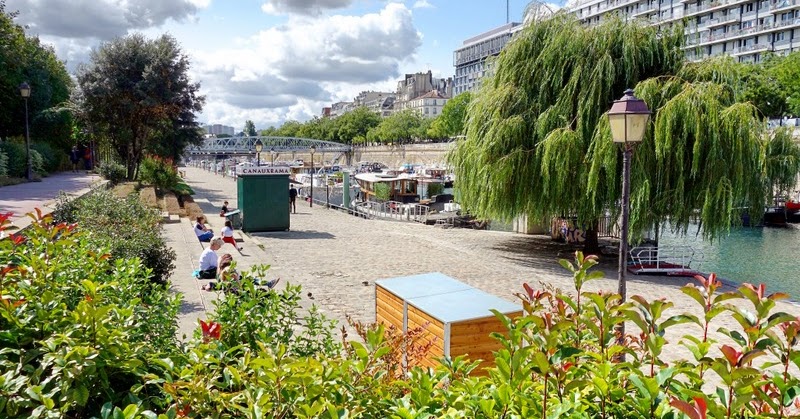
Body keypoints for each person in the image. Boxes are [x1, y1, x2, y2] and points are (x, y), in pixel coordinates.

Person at [202, 253, 280, 291]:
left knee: (250, 278)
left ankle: (267, 284)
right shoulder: (227, 271)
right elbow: (237, 283)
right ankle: (267, 284)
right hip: (237, 285)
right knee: (250, 279)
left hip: (233, 284)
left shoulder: (220, 271)